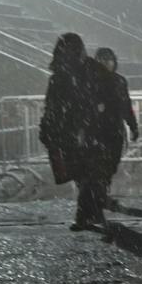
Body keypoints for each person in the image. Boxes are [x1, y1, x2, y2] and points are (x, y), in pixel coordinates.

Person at [38, 33, 114, 231]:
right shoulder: (91, 71)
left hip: (72, 132)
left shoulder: (60, 76)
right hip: (88, 131)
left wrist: (48, 128)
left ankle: (86, 213)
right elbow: (107, 93)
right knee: (87, 173)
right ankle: (92, 210)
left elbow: (52, 107)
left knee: (82, 174)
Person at [94, 48, 139, 203]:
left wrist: (133, 125)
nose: (106, 63)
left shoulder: (119, 81)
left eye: (109, 60)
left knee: (112, 161)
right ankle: (99, 193)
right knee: (99, 162)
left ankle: (102, 190)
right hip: (97, 128)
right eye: (103, 60)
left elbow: (126, 104)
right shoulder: (91, 80)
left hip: (115, 128)